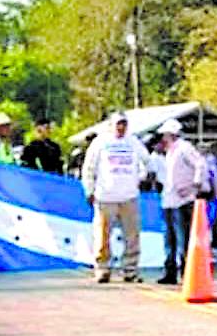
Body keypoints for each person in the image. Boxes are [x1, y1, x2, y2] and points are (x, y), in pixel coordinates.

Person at [82, 113, 150, 284]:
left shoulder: (133, 142)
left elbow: (147, 161)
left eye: (124, 124)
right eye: (118, 124)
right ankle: (102, 269)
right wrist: (89, 190)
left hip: (129, 197)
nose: (121, 128)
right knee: (102, 236)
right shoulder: (100, 142)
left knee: (132, 236)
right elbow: (89, 168)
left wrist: (139, 177)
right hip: (105, 197)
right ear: (111, 125)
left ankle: (130, 270)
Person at [156, 119, 208, 285]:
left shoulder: (184, 148)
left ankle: (187, 271)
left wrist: (194, 184)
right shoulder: (170, 151)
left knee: (182, 238)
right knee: (169, 238)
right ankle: (170, 271)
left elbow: (200, 164)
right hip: (169, 199)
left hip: (182, 200)